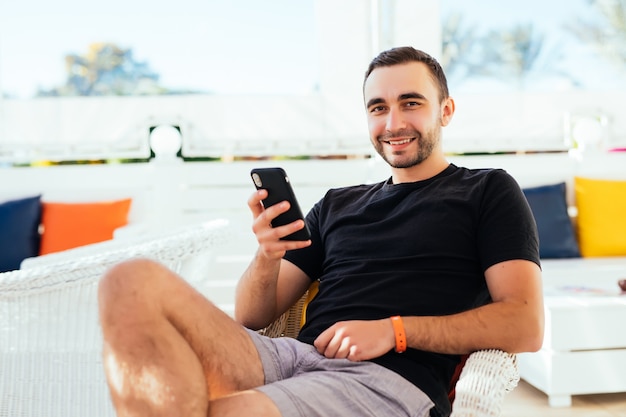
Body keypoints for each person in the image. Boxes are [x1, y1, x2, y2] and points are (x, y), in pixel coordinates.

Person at [98, 46, 544, 417]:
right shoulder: (338, 202)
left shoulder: (487, 189)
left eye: (411, 103)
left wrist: (394, 331)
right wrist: (267, 255)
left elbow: (525, 324)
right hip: (295, 358)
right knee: (129, 280)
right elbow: (254, 318)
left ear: (445, 111)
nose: (393, 123)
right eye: (378, 108)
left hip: (385, 381)